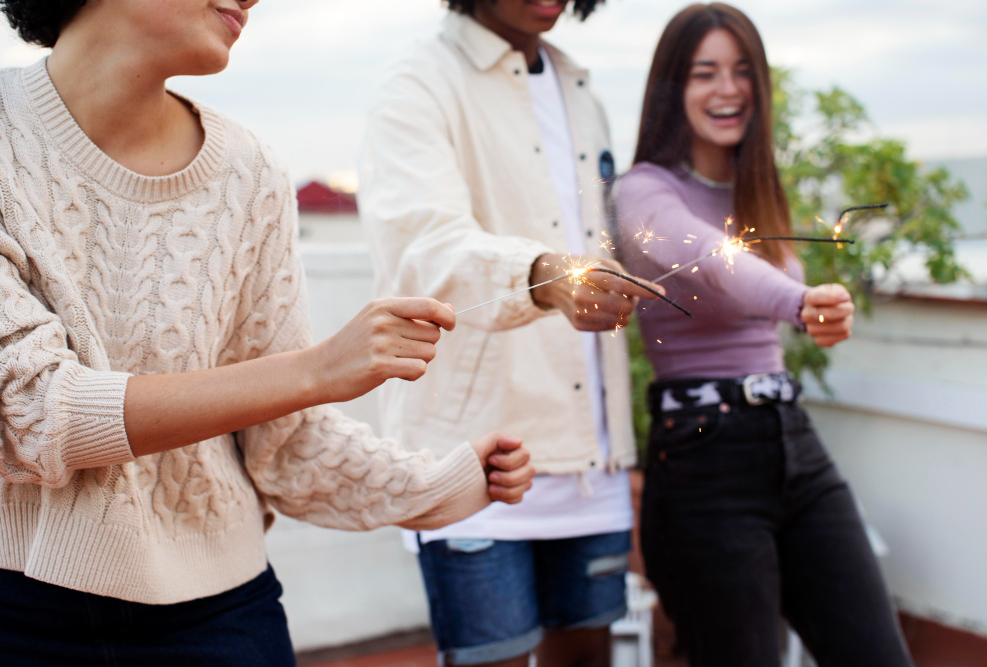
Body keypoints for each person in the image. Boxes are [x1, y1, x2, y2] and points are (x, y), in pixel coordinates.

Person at [0, 1, 536, 665]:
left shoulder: (248, 173)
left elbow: (283, 440)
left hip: (221, 615)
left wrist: (438, 483)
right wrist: (318, 370)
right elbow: (34, 412)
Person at [358, 1, 666, 665]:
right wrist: (541, 274)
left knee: (587, 657)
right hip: (476, 455)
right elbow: (421, 249)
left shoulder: (579, 88)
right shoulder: (416, 83)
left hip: (591, 456)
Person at [615, 4, 915, 666]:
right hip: (702, 457)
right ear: (672, 88)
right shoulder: (642, 192)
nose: (728, 89)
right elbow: (709, 258)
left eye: (742, 70)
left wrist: (809, 306)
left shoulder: (758, 193)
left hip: (793, 441)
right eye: (705, 73)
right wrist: (799, 301)